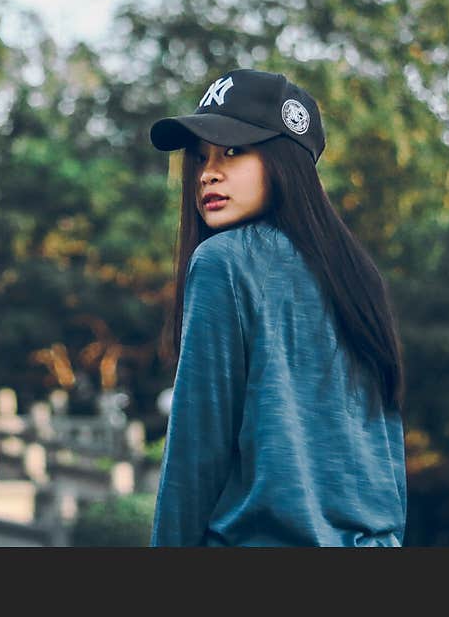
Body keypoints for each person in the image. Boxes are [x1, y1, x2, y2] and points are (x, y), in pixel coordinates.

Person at [148, 68, 407, 546]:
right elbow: (386, 456)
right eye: (200, 157)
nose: (208, 172)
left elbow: (195, 454)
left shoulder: (222, 262)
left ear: (285, 161)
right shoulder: (357, 277)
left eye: (233, 150)